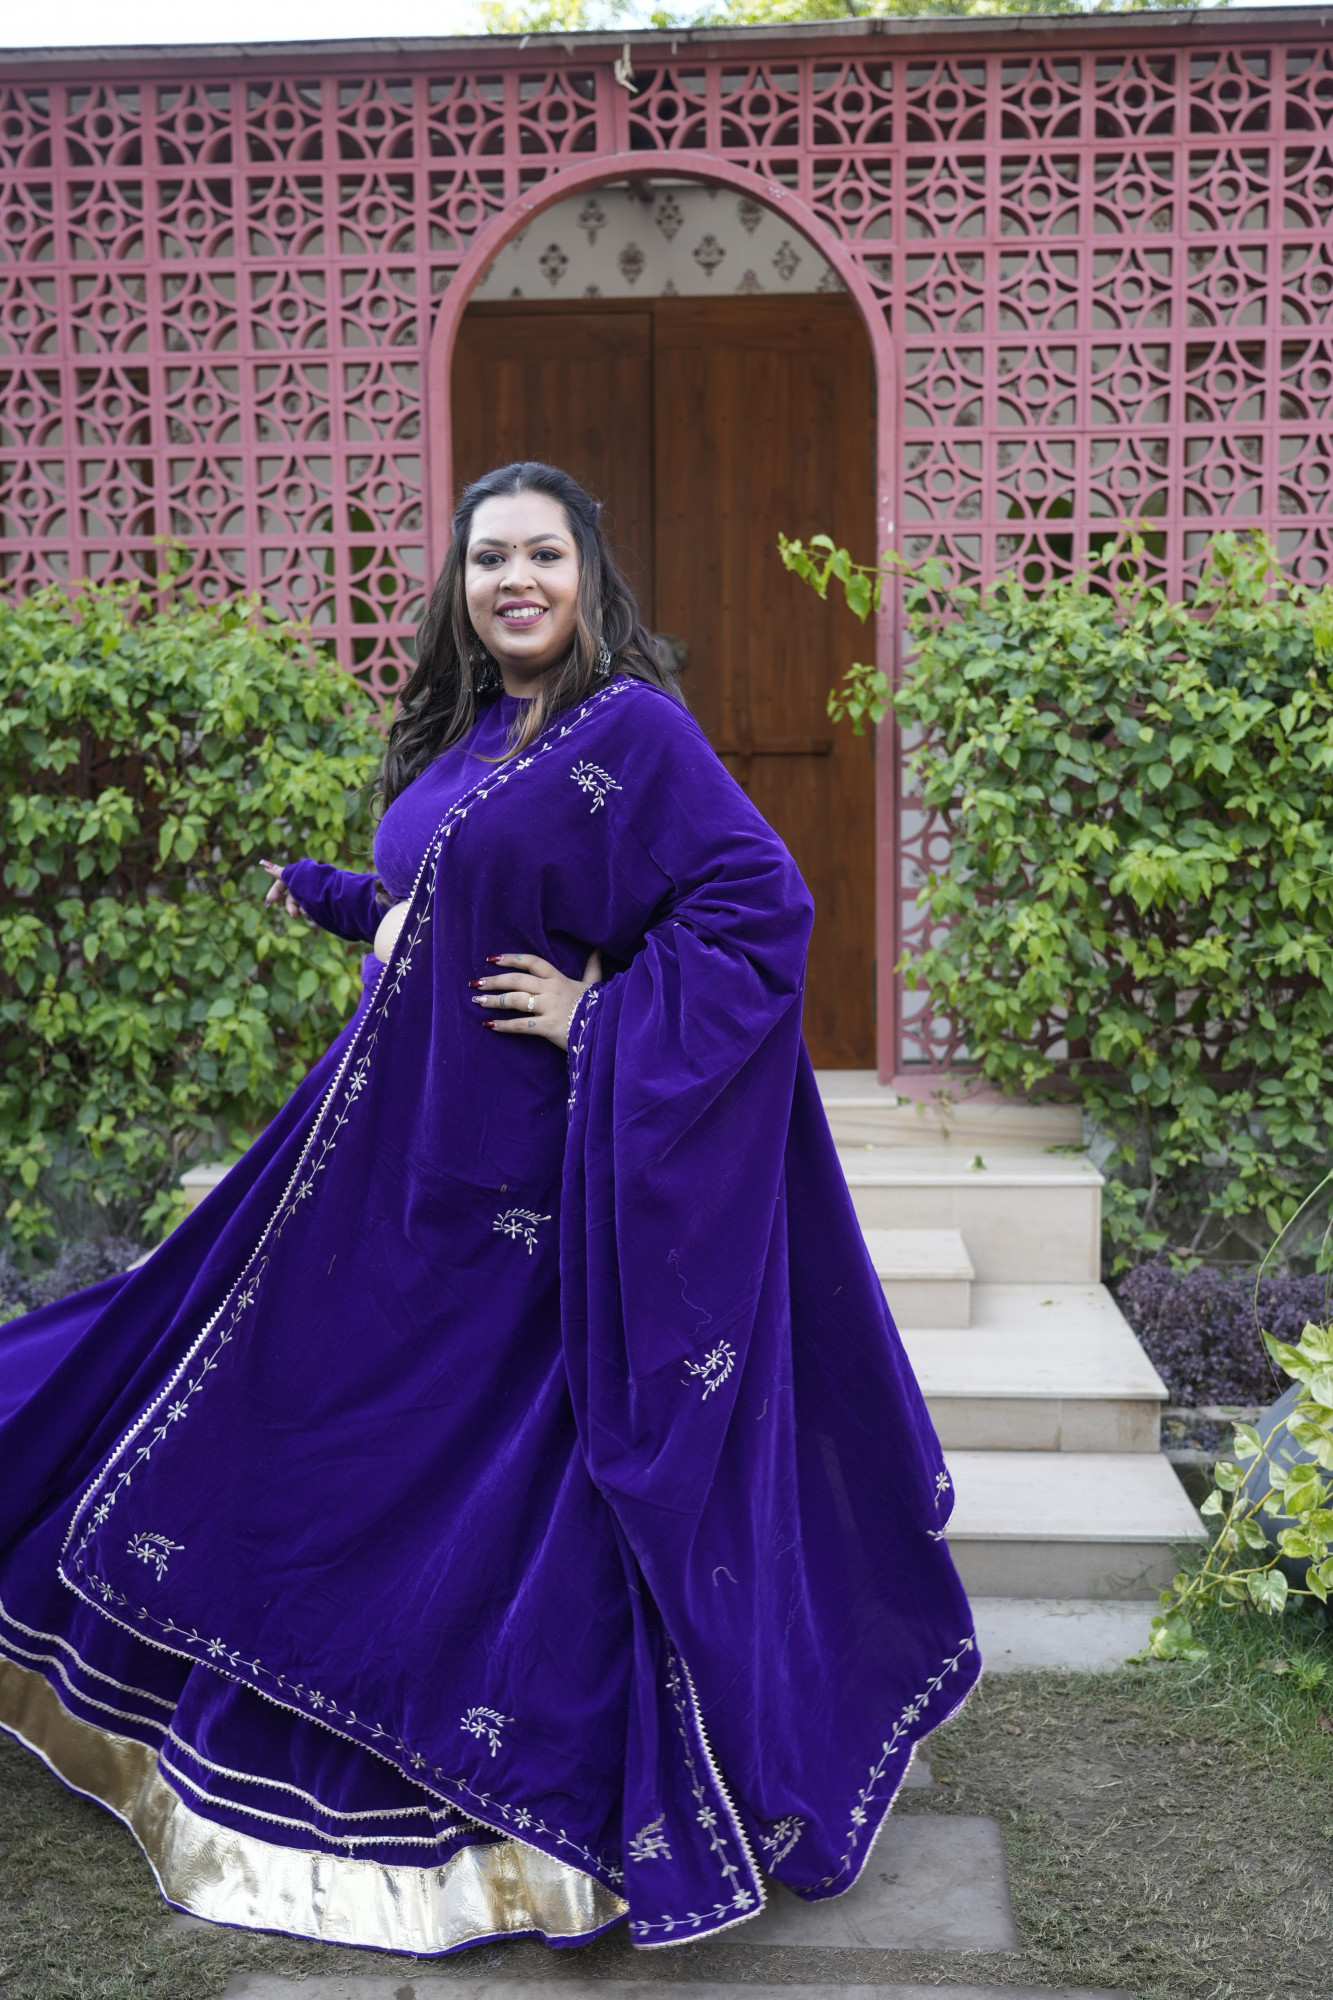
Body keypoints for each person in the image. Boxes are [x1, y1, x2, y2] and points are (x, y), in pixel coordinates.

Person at [0, 461, 979, 1956]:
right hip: (387, 1158)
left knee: (483, 1474)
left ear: (587, 571)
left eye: (539, 555)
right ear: (457, 587)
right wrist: (338, 895)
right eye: (484, 560)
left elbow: (759, 907)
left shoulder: (633, 733)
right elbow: (448, 901)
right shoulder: (470, 736)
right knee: (226, 1384)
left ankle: (516, 1830)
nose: (512, 581)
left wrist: (600, 1017)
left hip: (524, 1189)